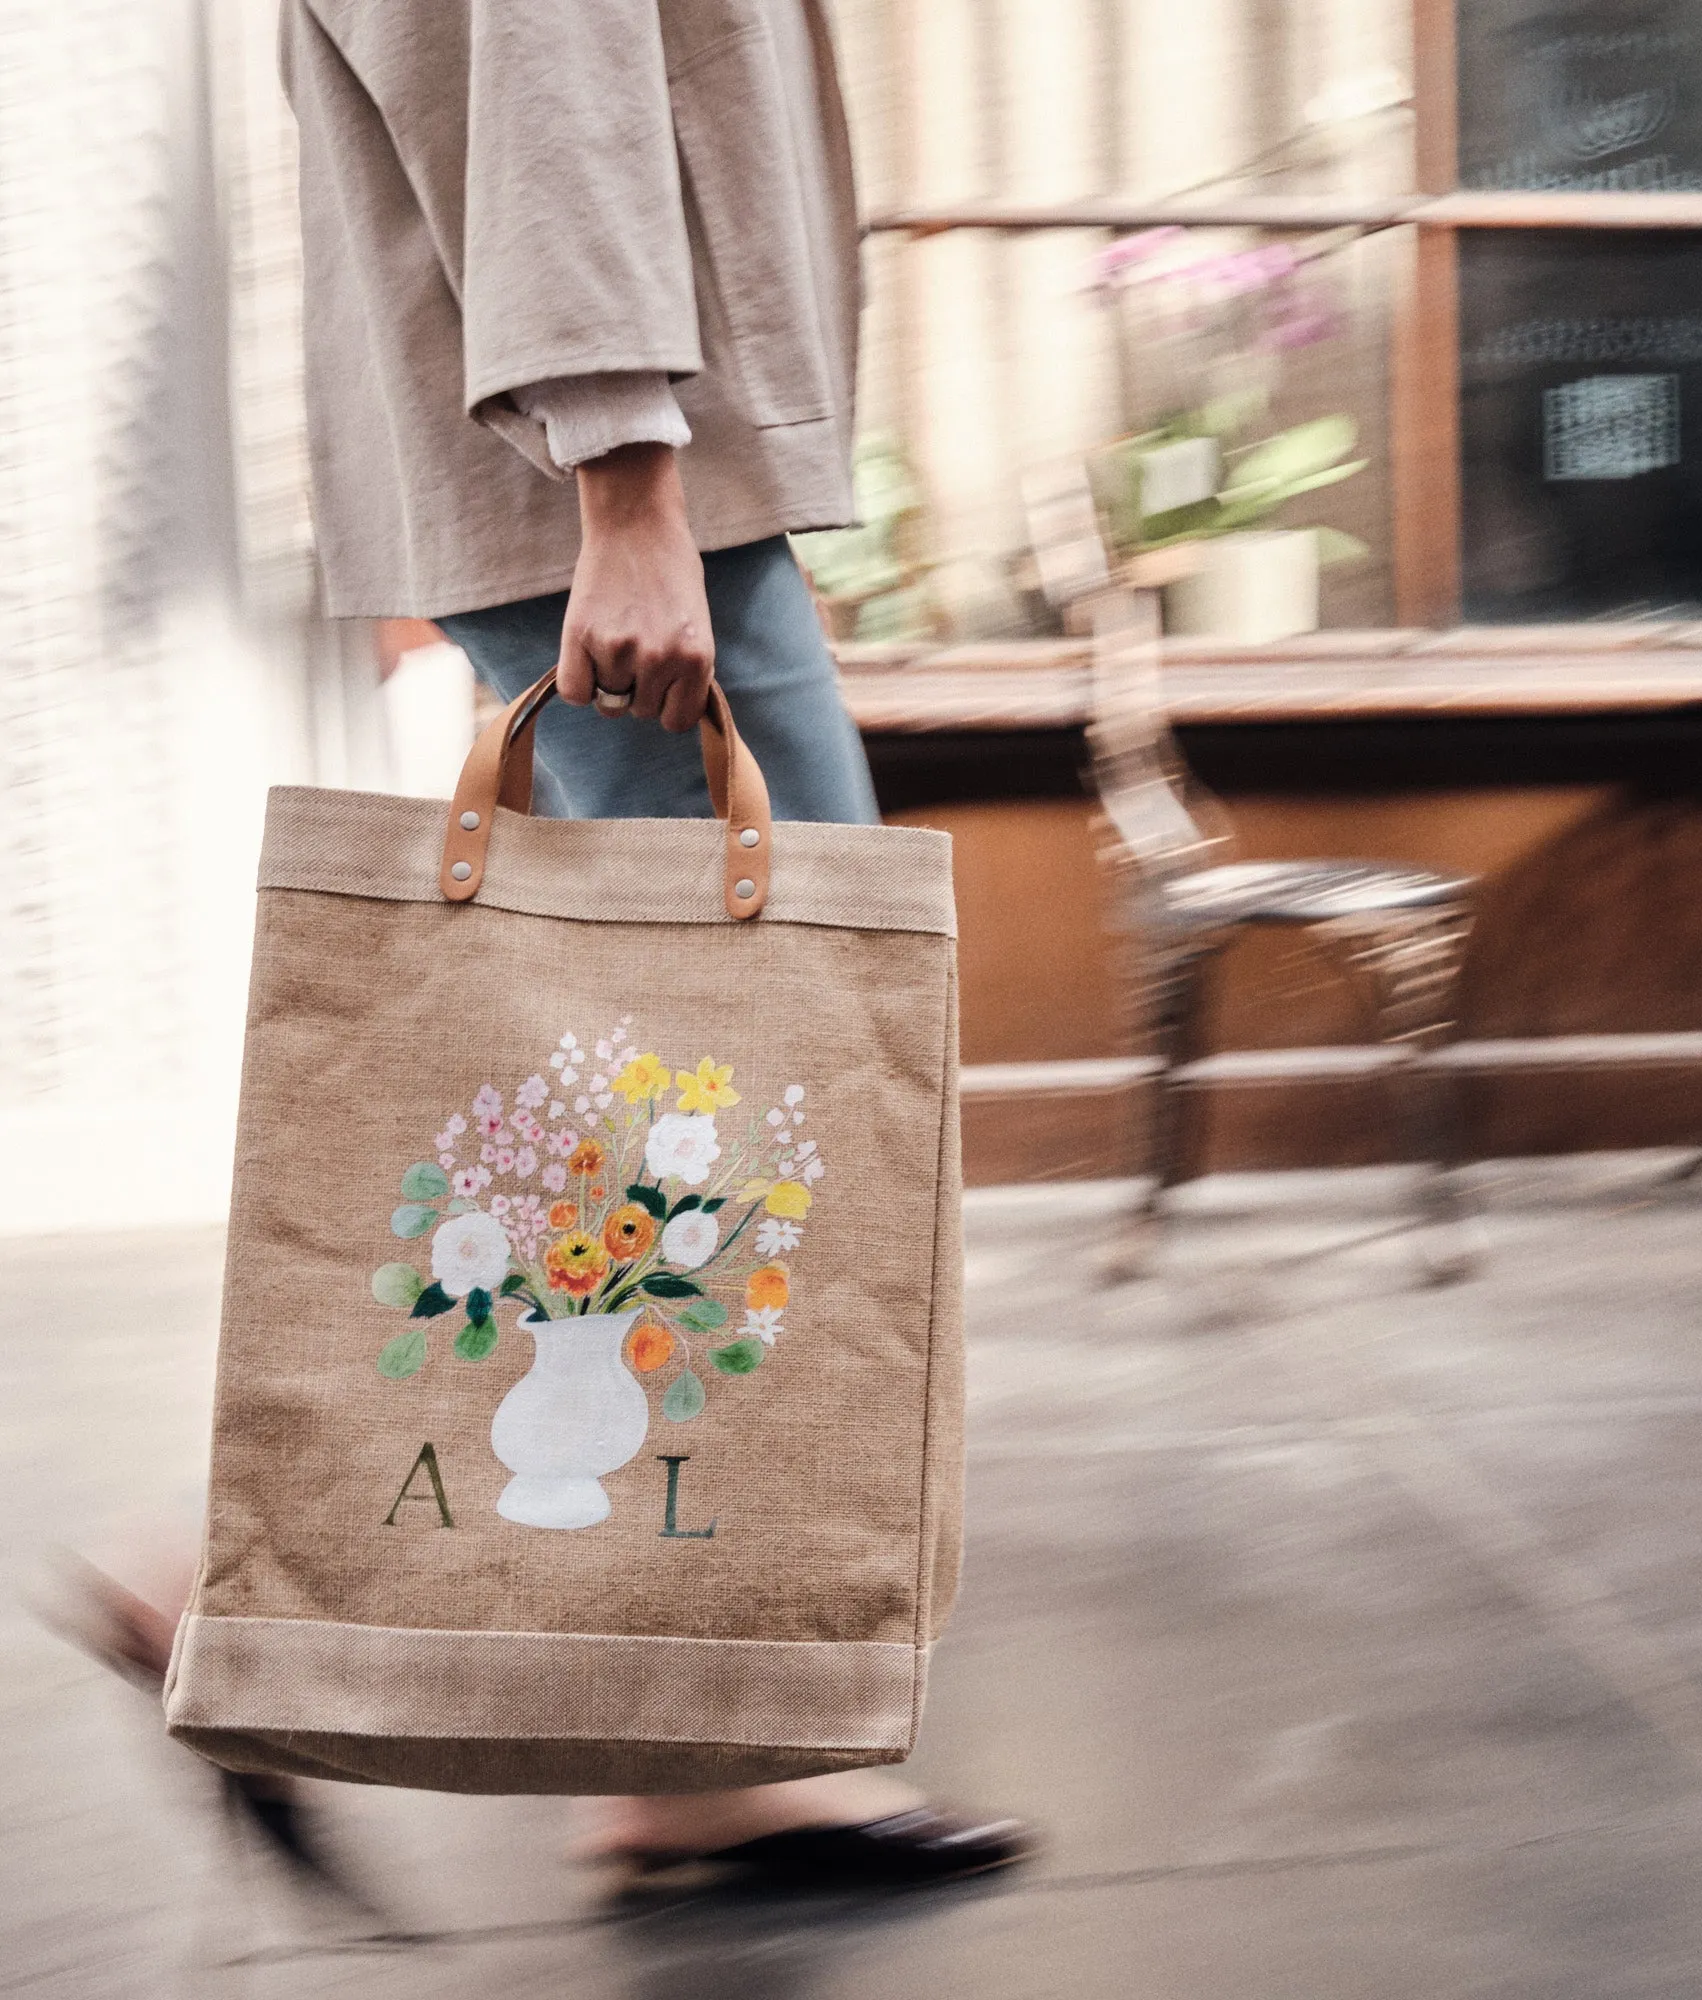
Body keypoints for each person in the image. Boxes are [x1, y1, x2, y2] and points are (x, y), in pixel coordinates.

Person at [53, 0, 1027, 1901]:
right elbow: (557, 101)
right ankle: (217, 1575)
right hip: (624, 505)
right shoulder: (633, 502)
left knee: (681, 1146)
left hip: (609, 493)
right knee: (756, 1123)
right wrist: (630, 490)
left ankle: (691, 1773)